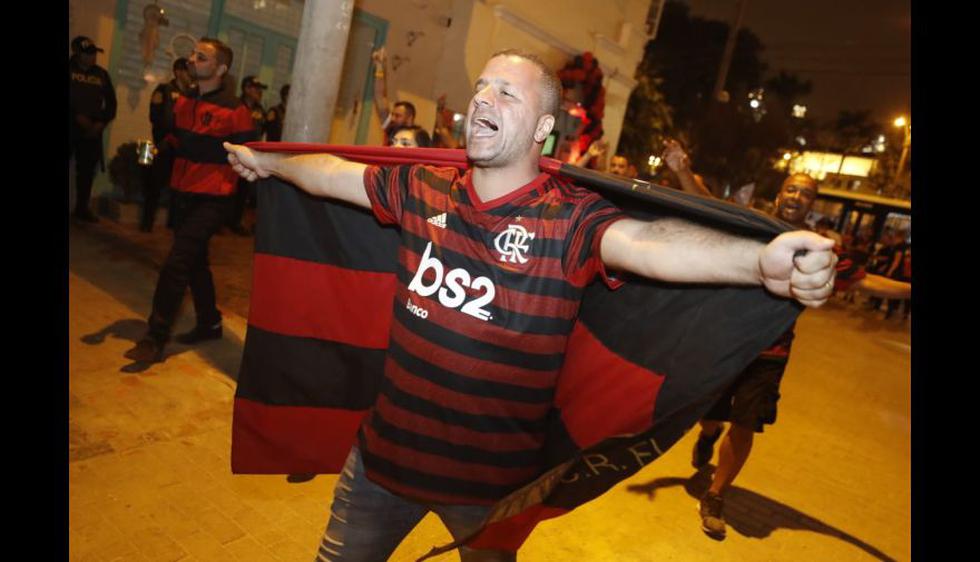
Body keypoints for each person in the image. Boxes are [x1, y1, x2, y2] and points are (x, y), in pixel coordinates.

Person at [224, 50, 837, 561]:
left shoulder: (569, 219)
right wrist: (267, 161)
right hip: (381, 466)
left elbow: (649, 242)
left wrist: (758, 263)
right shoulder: (420, 186)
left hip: (489, 491)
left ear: (544, 128)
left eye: (506, 93)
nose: (483, 99)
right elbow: (332, 173)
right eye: (481, 87)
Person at [689, 173, 910, 540]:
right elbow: (709, 206)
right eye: (792, 188)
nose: (797, 196)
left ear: (812, 204)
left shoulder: (818, 250)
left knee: (745, 423)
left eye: (806, 193)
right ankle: (708, 435)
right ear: (780, 194)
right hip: (729, 344)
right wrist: (683, 172)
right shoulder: (754, 225)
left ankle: (715, 496)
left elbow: (863, 281)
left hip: (772, 351)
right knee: (709, 414)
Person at [124, 38, 256, 364]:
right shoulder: (184, 100)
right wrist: (158, 152)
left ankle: (155, 337)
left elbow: (248, 155)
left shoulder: (236, 110)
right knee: (195, 262)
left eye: (202, 57)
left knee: (177, 263)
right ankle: (210, 323)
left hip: (214, 198)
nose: (192, 59)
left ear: (221, 69)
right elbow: (175, 138)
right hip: (183, 193)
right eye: (194, 54)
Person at [142, 57, 195, 232]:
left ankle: (173, 224)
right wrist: (163, 138)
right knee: (154, 185)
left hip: (182, 148)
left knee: (178, 189)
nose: (191, 74)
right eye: (187, 71)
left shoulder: (193, 93)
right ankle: (147, 223)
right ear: (178, 72)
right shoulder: (163, 90)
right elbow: (155, 116)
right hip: (163, 145)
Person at [69, 35, 117, 223]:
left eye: (94, 53)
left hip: (92, 132)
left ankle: (82, 208)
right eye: (88, 53)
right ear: (77, 53)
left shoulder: (101, 74)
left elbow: (111, 104)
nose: (92, 57)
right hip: (71, 126)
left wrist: (100, 123)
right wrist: (76, 116)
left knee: (87, 172)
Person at [227, 75, 267, 236]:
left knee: (243, 190)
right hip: (233, 153)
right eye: (256, 89)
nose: (259, 92)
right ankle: (221, 220)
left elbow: (262, 132)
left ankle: (235, 221)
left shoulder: (260, 110)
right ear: (246, 89)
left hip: (250, 156)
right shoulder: (235, 106)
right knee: (228, 189)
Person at [371, 47, 416, 145]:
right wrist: (379, 66)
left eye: (398, 116)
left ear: (409, 118)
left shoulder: (418, 137)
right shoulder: (391, 129)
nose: (393, 118)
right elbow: (379, 96)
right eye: (393, 115)